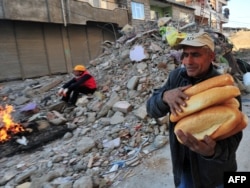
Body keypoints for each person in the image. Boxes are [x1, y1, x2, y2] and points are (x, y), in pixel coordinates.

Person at [146, 32, 242, 188]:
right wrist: (164, 97)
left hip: (217, 175)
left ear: (211, 56)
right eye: (185, 55)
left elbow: (235, 138)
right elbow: (152, 110)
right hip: (184, 169)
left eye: (195, 55)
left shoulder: (225, 89)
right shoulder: (175, 77)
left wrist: (213, 151)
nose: (187, 61)